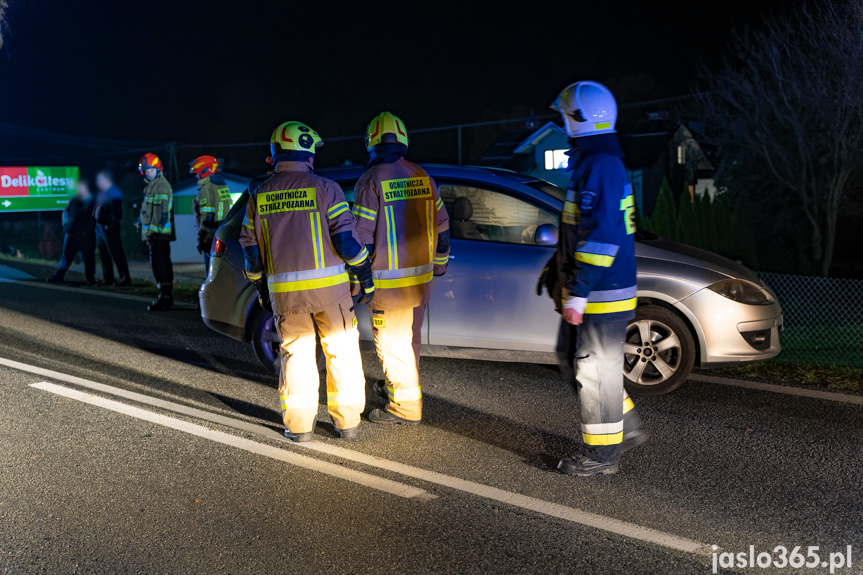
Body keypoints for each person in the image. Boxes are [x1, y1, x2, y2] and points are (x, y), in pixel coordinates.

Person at [238, 121, 374, 442]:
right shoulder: (327, 188)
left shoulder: (260, 195)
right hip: (331, 292)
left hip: (286, 295)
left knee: (296, 355)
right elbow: (347, 243)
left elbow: (251, 251)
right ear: (308, 152)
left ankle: (299, 429)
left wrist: (260, 287)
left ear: (276, 154)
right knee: (341, 352)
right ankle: (348, 424)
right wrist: (364, 274)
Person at [549, 81, 647, 476]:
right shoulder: (596, 161)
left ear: (579, 119)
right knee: (572, 357)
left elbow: (603, 235)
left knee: (594, 370)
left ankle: (601, 456)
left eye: (564, 115)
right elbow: (583, 228)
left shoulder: (600, 166)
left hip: (602, 291)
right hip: (595, 287)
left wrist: (579, 292)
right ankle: (623, 428)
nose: (561, 122)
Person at [352, 112, 450, 425]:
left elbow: (363, 239)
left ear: (371, 143)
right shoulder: (422, 176)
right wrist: (440, 266)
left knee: (393, 346)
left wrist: (359, 278)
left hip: (388, 285)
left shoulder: (371, 180)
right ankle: (400, 387)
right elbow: (443, 229)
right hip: (420, 282)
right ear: (403, 140)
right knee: (409, 340)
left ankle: (405, 408)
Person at [137, 152, 175, 311]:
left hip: (158, 236)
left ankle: (166, 298)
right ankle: (163, 296)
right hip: (154, 236)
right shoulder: (153, 186)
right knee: (158, 266)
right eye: (146, 171)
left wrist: (151, 233)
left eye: (150, 170)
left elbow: (161, 214)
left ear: (158, 169)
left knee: (162, 266)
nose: (148, 173)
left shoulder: (160, 186)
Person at [48, 179, 96, 285]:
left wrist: (69, 227)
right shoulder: (77, 200)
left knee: (86, 257)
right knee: (70, 256)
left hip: (80, 233)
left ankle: (90, 278)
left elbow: (79, 216)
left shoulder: (85, 201)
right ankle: (60, 275)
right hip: (77, 233)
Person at [190, 155, 233, 270]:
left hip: (210, 239)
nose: (196, 176)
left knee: (210, 272)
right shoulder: (223, 187)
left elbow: (207, 217)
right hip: (223, 236)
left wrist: (201, 239)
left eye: (197, 173)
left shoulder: (206, 189)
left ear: (204, 171)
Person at [94, 169, 131, 286]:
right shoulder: (102, 192)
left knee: (116, 252)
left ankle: (124, 277)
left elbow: (117, 212)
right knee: (104, 253)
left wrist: (111, 223)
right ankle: (108, 278)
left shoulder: (113, 192)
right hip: (100, 226)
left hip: (109, 227)